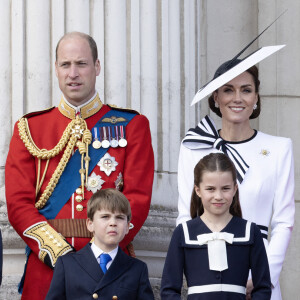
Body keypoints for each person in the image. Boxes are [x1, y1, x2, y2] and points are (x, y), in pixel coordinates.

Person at [5, 32, 154, 299]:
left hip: (108, 268)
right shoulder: (29, 128)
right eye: (65, 65)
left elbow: (137, 200)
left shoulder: (131, 125)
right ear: (56, 69)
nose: (73, 73)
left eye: (81, 64)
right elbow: (18, 204)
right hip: (47, 267)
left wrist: (100, 252)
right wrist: (59, 253)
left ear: (97, 67)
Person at [177, 55, 294, 299]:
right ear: (216, 97)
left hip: (259, 273)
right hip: (208, 271)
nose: (237, 98)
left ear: (256, 97)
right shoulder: (193, 147)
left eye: (246, 90)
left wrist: (263, 277)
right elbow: (186, 217)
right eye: (228, 90)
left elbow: (283, 222)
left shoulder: (279, 148)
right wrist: (198, 273)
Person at [161, 153, 271, 299]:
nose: (218, 196)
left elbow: (263, 288)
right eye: (210, 189)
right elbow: (168, 290)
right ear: (198, 190)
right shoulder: (183, 232)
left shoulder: (251, 231)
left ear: (235, 189)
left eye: (225, 188)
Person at [46, 188, 155, 300]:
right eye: (105, 217)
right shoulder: (67, 264)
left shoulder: (137, 269)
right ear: (90, 224)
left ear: (127, 227)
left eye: (119, 218)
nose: (113, 223)